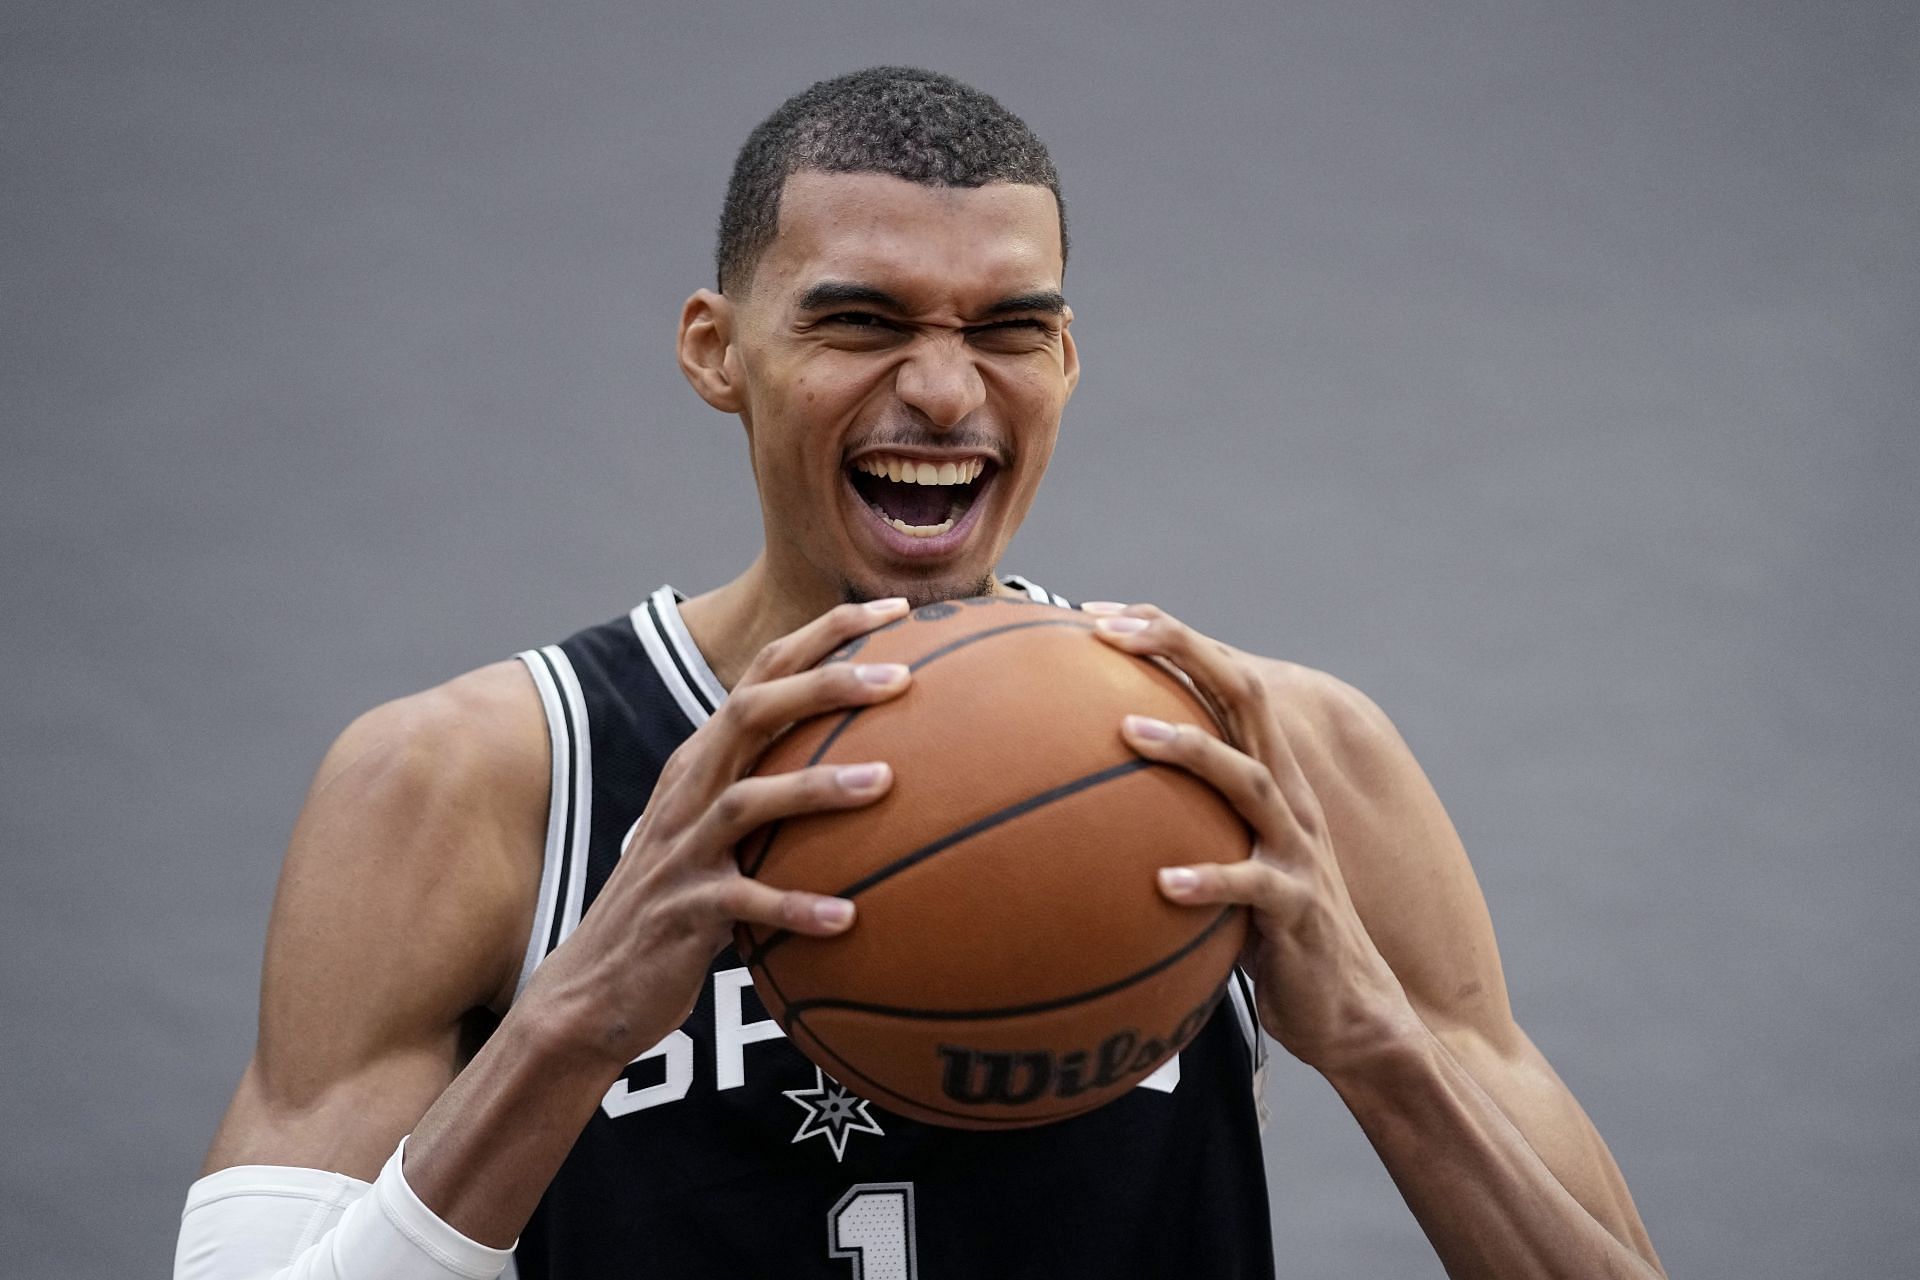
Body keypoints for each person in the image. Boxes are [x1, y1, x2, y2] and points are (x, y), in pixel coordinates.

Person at [174, 66, 1665, 1279]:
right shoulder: (479, 782)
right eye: (861, 320)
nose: (946, 392)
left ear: (1067, 364)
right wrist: (568, 1027)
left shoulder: (1268, 761)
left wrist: (1386, 1060)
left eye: (1013, 329)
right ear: (717, 349)